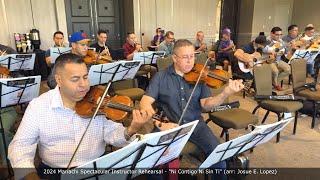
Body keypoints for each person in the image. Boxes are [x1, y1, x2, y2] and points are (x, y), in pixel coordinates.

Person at [8, 53, 151, 179]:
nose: (84, 85)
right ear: (59, 80)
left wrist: (131, 129)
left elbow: (110, 132)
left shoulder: (97, 98)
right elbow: (20, 147)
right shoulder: (39, 106)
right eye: (75, 79)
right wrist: (30, 176)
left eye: (85, 77)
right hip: (55, 172)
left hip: (97, 168)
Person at [140, 39, 244, 180]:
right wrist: (159, 124)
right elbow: (145, 103)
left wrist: (225, 93)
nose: (190, 61)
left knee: (219, 159)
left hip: (195, 125)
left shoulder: (201, 76)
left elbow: (206, 105)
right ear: (174, 58)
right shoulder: (161, 77)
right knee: (151, 163)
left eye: (192, 56)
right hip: (167, 125)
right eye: (185, 57)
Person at [264, 27, 290, 91]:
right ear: (271, 34)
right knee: (275, 71)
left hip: (278, 60)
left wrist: (286, 49)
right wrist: (273, 51)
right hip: (268, 61)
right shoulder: (267, 40)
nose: (279, 36)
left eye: (280, 35)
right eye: (277, 35)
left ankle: (275, 83)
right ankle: (276, 84)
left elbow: (286, 52)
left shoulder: (281, 41)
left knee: (288, 69)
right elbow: (263, 49)